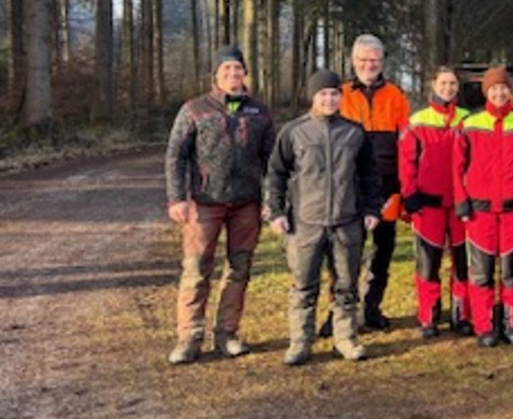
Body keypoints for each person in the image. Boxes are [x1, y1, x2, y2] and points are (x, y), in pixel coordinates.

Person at [164, 46, 276, 364]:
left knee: (239, 269)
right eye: (226, 69)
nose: (232, 75)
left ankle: (227, 333)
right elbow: (176, 155)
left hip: (246, 204)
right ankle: (189, 337)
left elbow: (272, 161)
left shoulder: (260, 112)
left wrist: (272, 201)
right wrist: (177, 197)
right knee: (197, 270)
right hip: (205, 202)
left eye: (237, 69)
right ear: (215, 75)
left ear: (245, 73)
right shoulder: (195, 109)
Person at [264, 69, 383, 365]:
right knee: (304, 285)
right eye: (323, 95)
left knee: (346, 284)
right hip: (306, 223)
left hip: (347, 221)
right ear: (312, 97)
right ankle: (300, 341)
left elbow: (370, 174)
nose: (329, 100)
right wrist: (276, 211)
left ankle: (345, 338)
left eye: (333, 94)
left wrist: (371, 209)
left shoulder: (355, 132)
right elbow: (276, 174)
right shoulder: (294, 132)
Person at [453, 66, 513, 347]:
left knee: (511, 270)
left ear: (511, 90)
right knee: (481, 272)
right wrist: (461, 203)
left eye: (504, 88)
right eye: (494, 89)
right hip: (479, 210)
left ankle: (511, 323)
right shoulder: (470, 124)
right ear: (486, 92)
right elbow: (457, 168)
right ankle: (484, 326)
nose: (500, 93)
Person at [338, 34, 410, 331]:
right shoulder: (339, 94)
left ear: (382, 62)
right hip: (348, 188)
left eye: (375, 61)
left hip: (387, 188)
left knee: (382, 252)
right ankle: (339, 312)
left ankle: (372, 308)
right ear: (354, 61)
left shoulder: (396, 96)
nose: (369, 65)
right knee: (344, 254)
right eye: (364, 60)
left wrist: (404, 187)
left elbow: (406, 146)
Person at [398, 66, 471, 338]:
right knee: (428, 262)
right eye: (444, 83)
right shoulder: (418, 121)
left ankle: (461, 314)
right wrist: (410, 195)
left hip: (462, 204)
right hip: (428, 204)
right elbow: (406, 162)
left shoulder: (467, 119)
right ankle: (428, 316)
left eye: (453, 84)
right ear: (433, 85)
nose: (448, 88)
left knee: (463, 262)